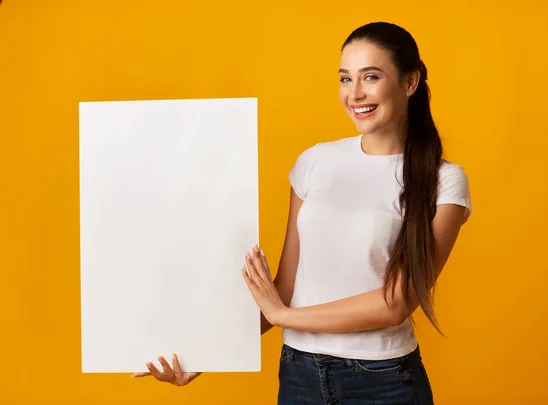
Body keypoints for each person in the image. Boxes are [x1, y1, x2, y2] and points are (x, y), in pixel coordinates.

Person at [132, 21, 472, 405]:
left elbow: (395, 304)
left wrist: (282, 316)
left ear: (410, 82)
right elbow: (285, 288)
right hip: (298, 375)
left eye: (370, 77)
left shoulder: (445, 181)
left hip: (383, 381)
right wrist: (206, 353)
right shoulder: (315, 162)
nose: (355, 93)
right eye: (345, 79)